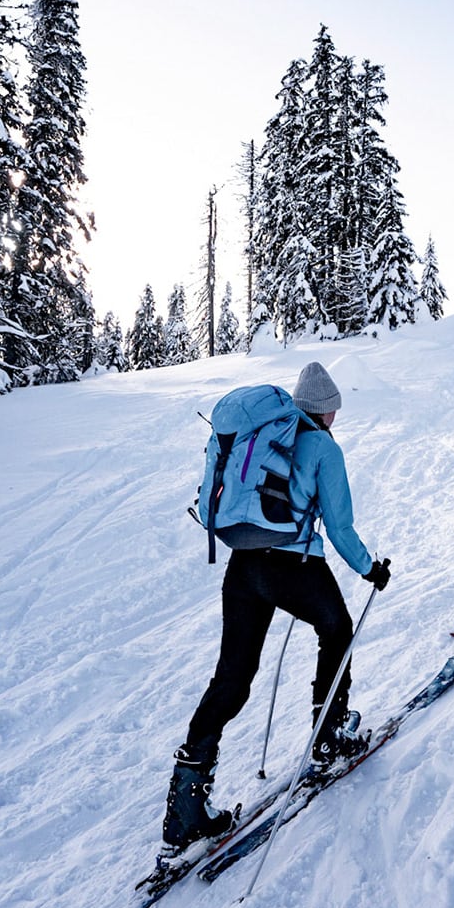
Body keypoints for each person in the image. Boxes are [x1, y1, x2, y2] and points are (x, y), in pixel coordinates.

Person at [162, 361, 393, 855]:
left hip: (243, 568)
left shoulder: (265, 437)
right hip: (293, 568)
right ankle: (328, 735)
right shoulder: (324, 447)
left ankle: (185, 805)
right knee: (337, 629)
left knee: (233, 678)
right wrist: (370, 569)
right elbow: (340, 527)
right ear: (327, 410)